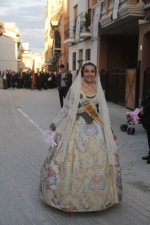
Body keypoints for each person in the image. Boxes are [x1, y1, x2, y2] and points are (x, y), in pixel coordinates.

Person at [39, 61, 122, 212]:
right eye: (87, 71)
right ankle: (71, 198)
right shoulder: (75, 89)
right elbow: (65, 110)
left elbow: (102, 113)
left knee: (99, 161)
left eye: (92, 71)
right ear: (82, 73)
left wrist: (109, 131)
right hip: (76, 131)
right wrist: (51, 127)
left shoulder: (98, 89)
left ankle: (99, 198)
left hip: (96, 131)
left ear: (95, 73)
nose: (90, 74)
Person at [140, 88, 150, 164]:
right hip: (147, 117)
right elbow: (145, 98)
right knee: (149, 136)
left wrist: (144, 109)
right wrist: (141, 107)